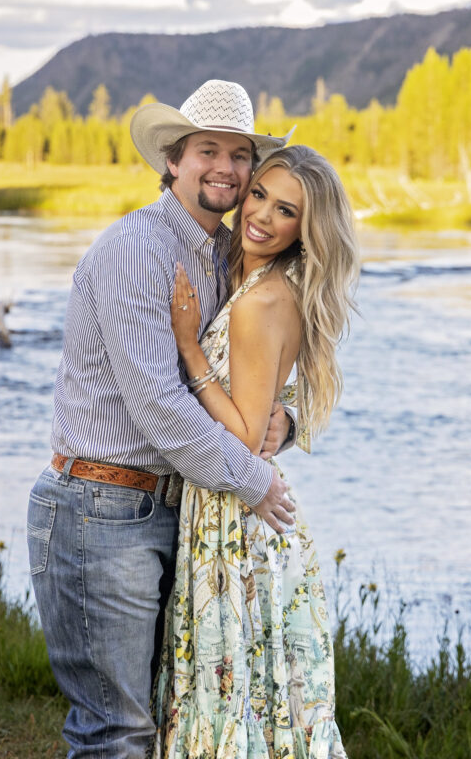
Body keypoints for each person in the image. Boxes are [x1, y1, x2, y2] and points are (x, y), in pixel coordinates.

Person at [27, 80, 298, 759]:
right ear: (173, 159)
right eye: (208, 150)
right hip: (101, 510)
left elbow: (269, 367)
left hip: (172, 511)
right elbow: (158, 409)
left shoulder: (228, 255)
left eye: (240, 156)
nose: (226, 169)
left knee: (161, 719)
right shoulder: (136, 251)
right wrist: (252, 479)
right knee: (114, 734)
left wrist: (284, 423)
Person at [152, 144, 358, 759]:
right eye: (260, 194)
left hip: (234, 522)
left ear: (307, 229)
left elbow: (242, 438)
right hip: (241, 513)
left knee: (230, 696)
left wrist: (191, 352)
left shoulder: (262, 302)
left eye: (286, 210)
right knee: (261, 700)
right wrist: (288, 421)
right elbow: (270, 403)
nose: (262, 215)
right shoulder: (258, 279)